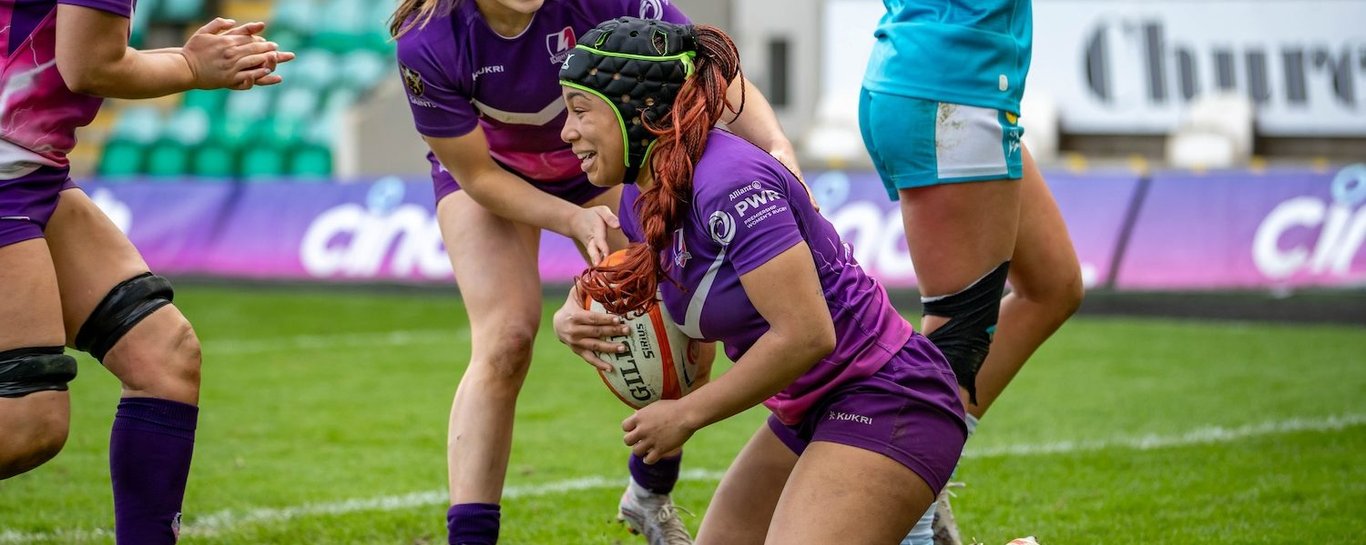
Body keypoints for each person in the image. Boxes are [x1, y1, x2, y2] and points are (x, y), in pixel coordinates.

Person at [388, 2, 801, 544]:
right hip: (496, 176)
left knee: (683, 334)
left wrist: (776, 145)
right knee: (505, 340)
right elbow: (478, 175)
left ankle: (648, 497)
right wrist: (572, 219)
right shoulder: (428, 42)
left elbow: (702, 62)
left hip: (613, 155)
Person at [553, 17, 967, 545]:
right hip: (806, 409)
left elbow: (807, 334)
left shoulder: (730, 182)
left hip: (888, 394)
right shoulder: (642, 195)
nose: (566, 132)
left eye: (580, 110)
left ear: (638, 108)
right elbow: (640, 295)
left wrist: (686, 414)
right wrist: (576, 312)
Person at [0, 3, 291, 544]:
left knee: (164, 357)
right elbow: (89, 66)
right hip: (7, 172)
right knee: (25, 425)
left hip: (29, 171)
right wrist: (190, 66)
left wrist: (189, 59)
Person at [859, 1, 1085, 543]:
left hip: (953, 84)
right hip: (950, 91)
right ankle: (910, 522)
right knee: (957, 339)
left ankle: (922, 486)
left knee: (1053, 286)